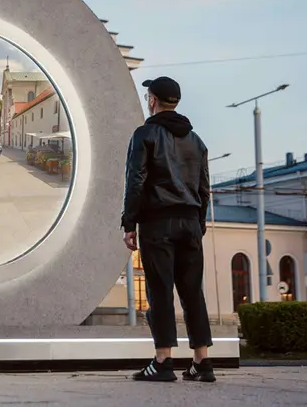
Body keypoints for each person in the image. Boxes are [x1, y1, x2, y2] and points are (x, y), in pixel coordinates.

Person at [122, 76, 214, 383]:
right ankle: (201, 363)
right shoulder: (197, 140)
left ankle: (163, 361)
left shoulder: (144, 134)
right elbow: (204, 188)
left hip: (158, 222)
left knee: (160, 292)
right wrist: (198, 223)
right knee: (192, 293)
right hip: (190, 223)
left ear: (152, 100)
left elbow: (136, 180)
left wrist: (129, 222)